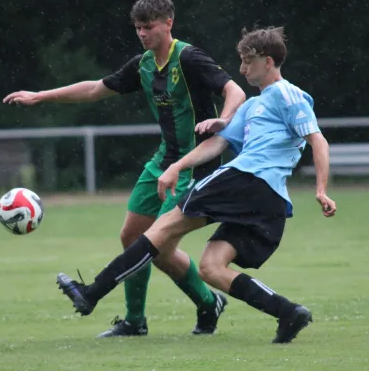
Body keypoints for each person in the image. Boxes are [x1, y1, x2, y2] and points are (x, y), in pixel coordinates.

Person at [56, 25, 337, 343]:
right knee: (211, 267)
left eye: (248, 61)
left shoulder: (287, 93)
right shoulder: (252, 106)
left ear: (269, 61)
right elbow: (216, 144)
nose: (242, 69)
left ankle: (91, 293)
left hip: (245, 180)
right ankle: (288, 312)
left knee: (160, 231)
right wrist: (179, 164)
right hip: (267, 201)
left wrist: (321, 189)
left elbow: (318, 141)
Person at [4, 0, 246, 337]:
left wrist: (222, 121)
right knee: (133, 237)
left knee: (156, 244)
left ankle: (207, 303)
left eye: (149, 27)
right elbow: (94, 90)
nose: (143, 34)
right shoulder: (143, 64)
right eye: (138, 28)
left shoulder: (189, 58)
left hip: (197, 164)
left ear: (168, 23)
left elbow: (235, 91)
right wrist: (41, 96)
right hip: (163, 161)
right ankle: (137, 321)